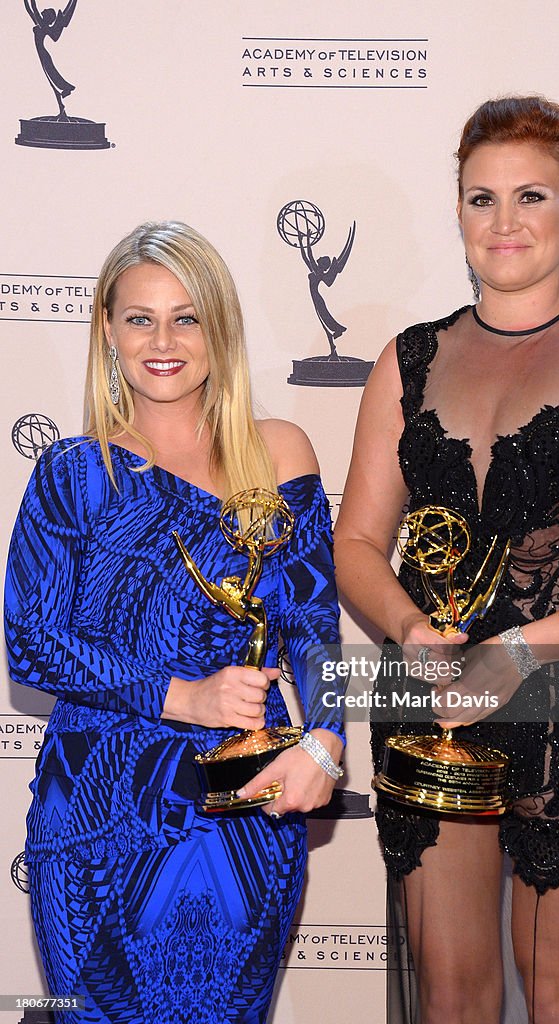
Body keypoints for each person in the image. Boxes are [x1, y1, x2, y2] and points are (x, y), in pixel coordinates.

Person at [334, 96, 559, 1024]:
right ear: (456, 209)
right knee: (452, 998)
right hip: (431, 693)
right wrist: (408, 629)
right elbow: (354, 542)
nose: (504, 224)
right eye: (480, 199)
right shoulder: (406, 360)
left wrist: (520, 654)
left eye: (531, 196)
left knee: (558, 995)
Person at [4, 221, 345, 1024]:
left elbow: (310, 623)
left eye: (185, 317)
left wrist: (327, 740)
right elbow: (30, 638)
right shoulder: (76, 471)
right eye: (139, 318)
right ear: (108, 333)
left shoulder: (279, 452)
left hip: (240, 800)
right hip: (96, 809)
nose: (162, 340)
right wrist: (180, 696)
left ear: (217, 329)